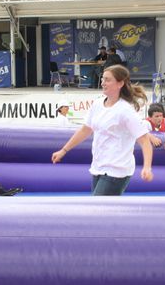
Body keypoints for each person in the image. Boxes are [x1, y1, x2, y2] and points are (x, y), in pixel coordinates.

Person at [51, 64, 153, 196]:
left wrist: (147, 167)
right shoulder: (98, 104)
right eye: (102, 79)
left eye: (107, 80)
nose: (103, 83)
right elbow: (85, 130)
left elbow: (145, 141)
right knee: (104, 213)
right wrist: (64, 150)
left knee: (97, 210)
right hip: (98, 167)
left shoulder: (125, 110)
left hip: (117, 170)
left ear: (120, 83)